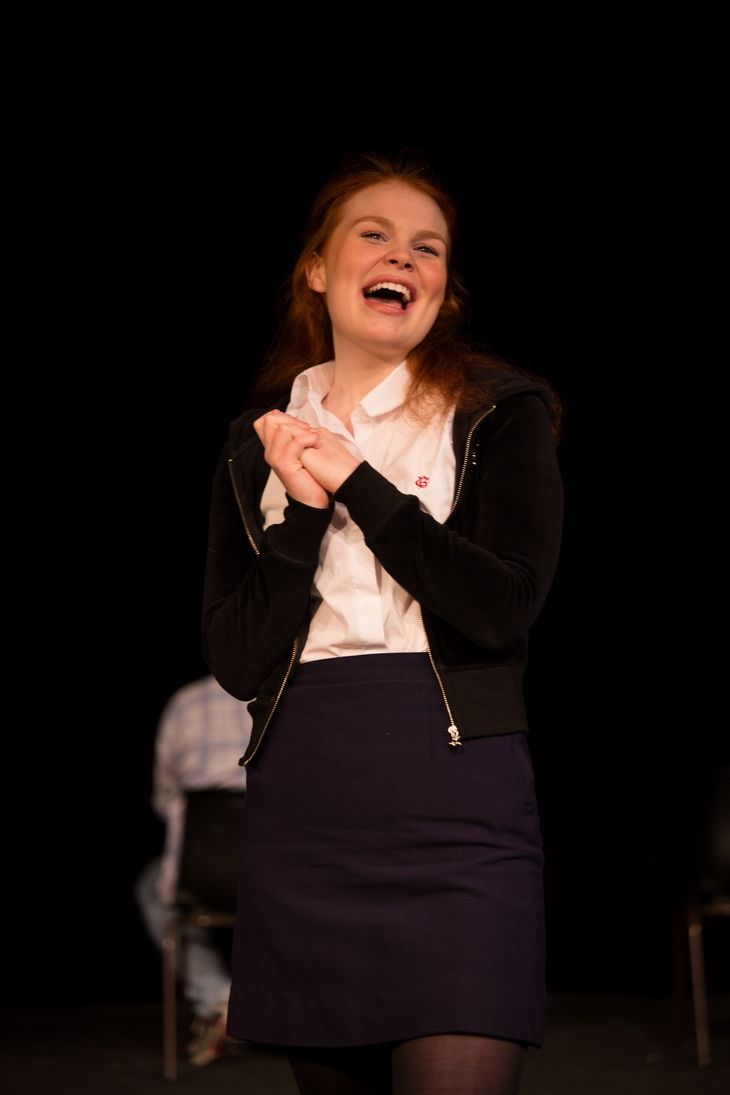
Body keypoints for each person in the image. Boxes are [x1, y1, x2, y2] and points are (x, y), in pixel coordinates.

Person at [201, 150, 564, 1095]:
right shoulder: (258, 443)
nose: (403, 255)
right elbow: (238, 658)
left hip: (457, 797)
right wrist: (305, 506)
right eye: (375, 234)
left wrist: (356, 479)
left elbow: (500, 606)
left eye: (428, 246)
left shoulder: (495, 413)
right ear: (318, 268)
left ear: (443, 285)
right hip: (308, 799)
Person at [134, 673, 252, 1067]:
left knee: (155, 888)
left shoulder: (185, 702)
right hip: (283, 874)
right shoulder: (292, 693)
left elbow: (165, 798)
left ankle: (218, 999)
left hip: (203, 874)